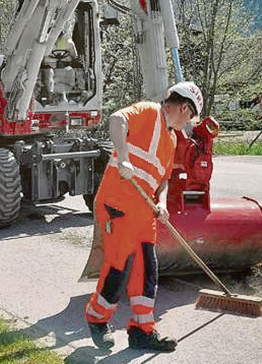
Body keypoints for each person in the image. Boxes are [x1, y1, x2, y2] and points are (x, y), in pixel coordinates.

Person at [84, 81, 204, 352]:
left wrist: (162, 203)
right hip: (118, 203)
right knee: (119, 265)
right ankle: (97, 318)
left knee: (147, 270)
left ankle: (141, 331)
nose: (189, 123)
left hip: (144, 211)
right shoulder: (149, 112)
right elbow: (117, 120)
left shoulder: (172, 139)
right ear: (184, 108)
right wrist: (123, 156)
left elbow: (163, 180)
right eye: (191, 117)